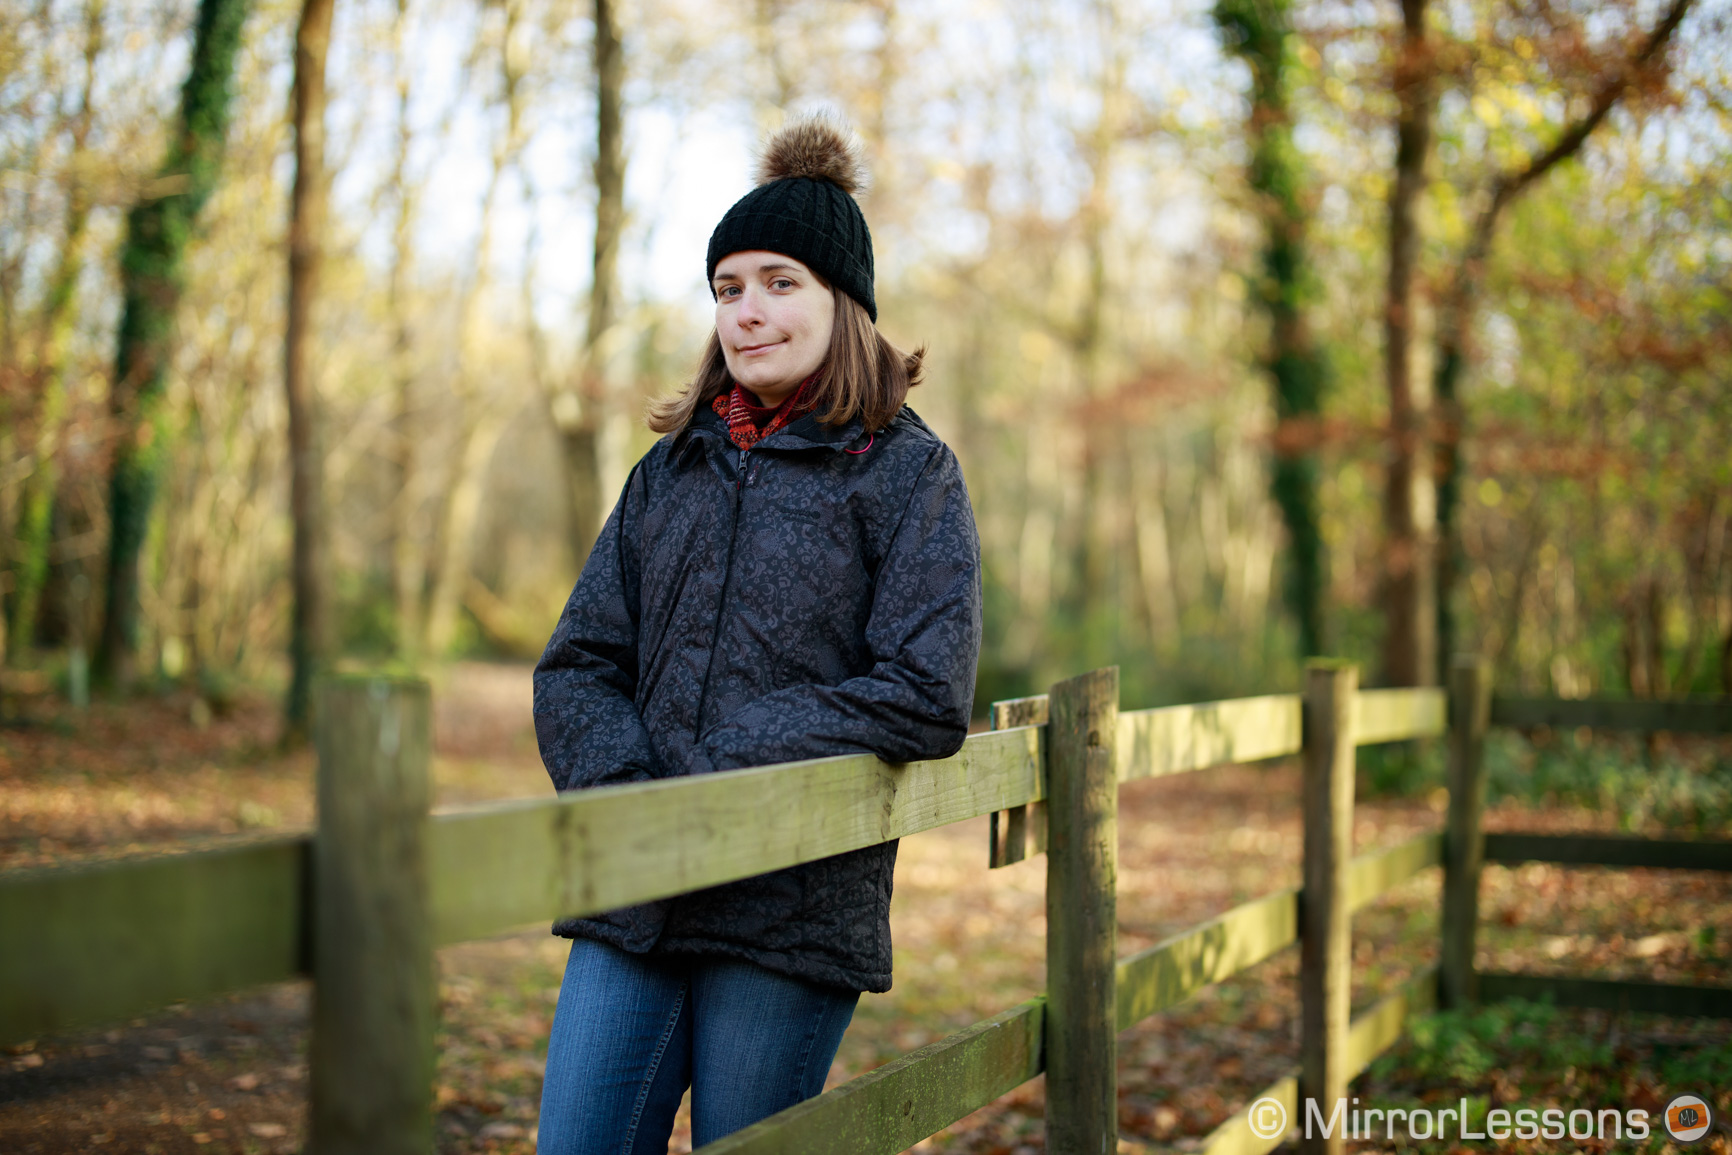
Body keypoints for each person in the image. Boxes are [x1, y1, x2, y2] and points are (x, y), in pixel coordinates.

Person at [532, 115, 984, 1154]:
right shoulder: (668, 472)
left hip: (791, 905)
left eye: (780, 282)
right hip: (637, 886)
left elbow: (923, 691)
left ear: (844, 302)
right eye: (728, 288)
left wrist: (723, 762)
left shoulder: (909, 475)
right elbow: (579, 664)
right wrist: (630, 792)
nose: (748, 311)